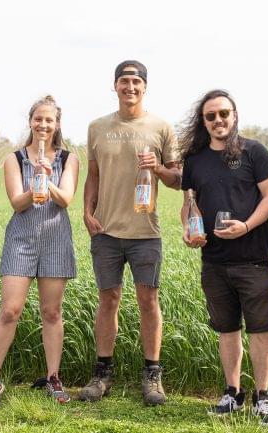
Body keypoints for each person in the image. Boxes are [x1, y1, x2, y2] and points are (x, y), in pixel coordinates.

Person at [79, 60, 181, 406]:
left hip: (145, 232)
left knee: (148, 300)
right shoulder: (97, 127)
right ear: (115, 86)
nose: (130, 87)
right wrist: (86, 211)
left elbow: (178, 179)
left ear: (145, 87)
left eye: (136, 82)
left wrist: (160, 168)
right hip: (106, 231)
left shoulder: (162, 127)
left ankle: (152, 375)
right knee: (108, 299)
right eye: (124, 81)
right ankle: (102, 372)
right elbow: (92, 174)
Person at [178, 89, 268, 425]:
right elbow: (189, 204)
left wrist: (247, 226)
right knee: (227, 329)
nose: (218, 120)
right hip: (214, 260)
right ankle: (232, 393)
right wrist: (188, 230)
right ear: (203, 121)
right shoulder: (194, 160)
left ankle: (262, 397)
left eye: (224, 113)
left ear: (234, 115)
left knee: (260, 328)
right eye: (211, 116)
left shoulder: (255, 152)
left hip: (252, 258)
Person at [0, 95, 79, 407]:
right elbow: (17, 203)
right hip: (21, 238)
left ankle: (53, 377)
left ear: (57, 124)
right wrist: (33, 177)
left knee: (51, 312)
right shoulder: (14, 158)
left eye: (49, 120)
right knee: (10, 310)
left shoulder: (69, 158)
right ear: (30, 121)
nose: (43, 124)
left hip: (55, 237)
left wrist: (46, 178)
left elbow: (65, 199)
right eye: (38, 119)